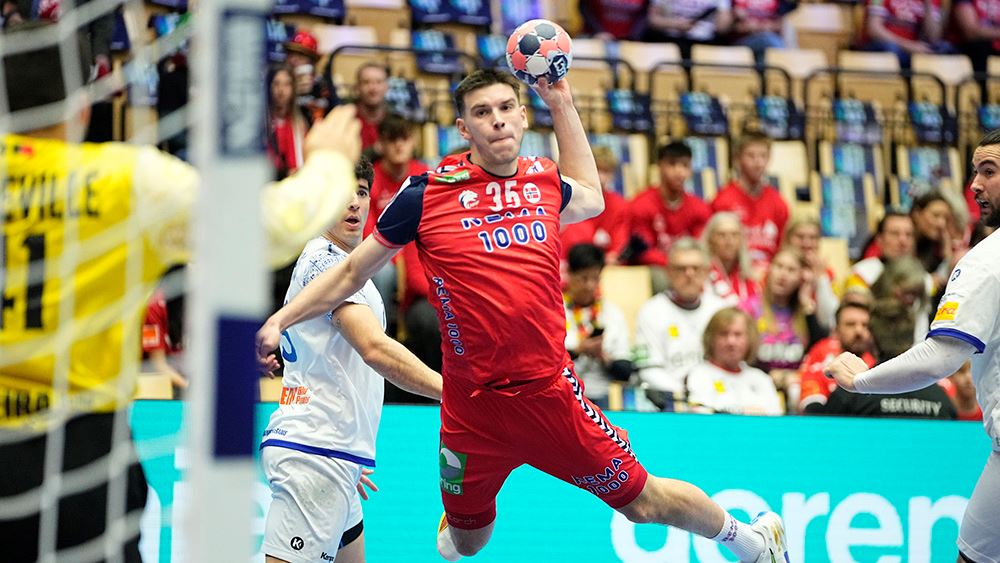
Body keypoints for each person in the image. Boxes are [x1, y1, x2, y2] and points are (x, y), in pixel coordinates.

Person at [256, 69, 789, 563]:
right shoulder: (425, 196)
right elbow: (350, 273)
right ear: (463, 127)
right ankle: (464, 513)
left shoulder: (543, 181)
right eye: (483, 112)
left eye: (507, 107)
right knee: (465, 543)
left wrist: (560, 100)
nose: (498, 119)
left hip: (549, 397)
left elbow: (594, 199)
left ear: (522, 115)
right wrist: (282, 318)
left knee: (641, 503)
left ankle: (752, 542)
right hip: (471, 408)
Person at [0, 22, 363, 562]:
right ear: (84, 102)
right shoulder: (125, 180)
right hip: (76, 453)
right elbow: (269, 229)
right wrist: (329, 160)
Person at [826, 129, 1000, 563]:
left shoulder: (988, 259)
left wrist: (859, 379)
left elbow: (940, 357)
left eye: (990, 171)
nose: (975, 185)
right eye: (975, 171)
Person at [259, 158, 442, 563]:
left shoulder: (348, 270)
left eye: (361, 192)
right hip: (316, 451)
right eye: (343, 194)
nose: (354, 204)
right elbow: (373, 349)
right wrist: (451, 391)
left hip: (336, 451)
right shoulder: (325, 262)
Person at [634, 238, 729, 404]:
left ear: (707, 272)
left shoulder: (720, 309)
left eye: (696, 268)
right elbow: (647, 370)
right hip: (671, 402)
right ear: (668, 272)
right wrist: (688, 396)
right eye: (681, 269)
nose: (689, 274)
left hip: (720, 399)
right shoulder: (651, 311)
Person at [563, 244, 633, 408]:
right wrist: (579, 350)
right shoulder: (555, 310)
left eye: (595, 278)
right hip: (566, 393)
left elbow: (626, 371)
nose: (589, 286)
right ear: (570, 275)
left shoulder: (612, 313)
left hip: (604, 393)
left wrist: (603, 357)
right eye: (583, 278)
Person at [711, 130, 789, 273]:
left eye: (763, 156)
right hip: (734, 271)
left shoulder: (778, 202)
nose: (758, 162)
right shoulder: (722, 201)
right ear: (737, 159)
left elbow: (783, 247)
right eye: (751, 155)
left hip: (769, 274)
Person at [625, 141, 712, 267]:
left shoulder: (700, 208)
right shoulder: (641, 205)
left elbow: (701, 248)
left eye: (685, 165)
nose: (679, 171)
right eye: (672, 164)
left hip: (688, 267)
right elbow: (643, 251)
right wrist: (674, 265)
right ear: (659, 165)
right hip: (655, 268)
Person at [686, 307, 783, 416]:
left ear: (749, 338)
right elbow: (701, 415)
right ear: (711, 338)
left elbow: (776, 419)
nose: (731, 341)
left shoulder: (761, 379)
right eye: (724, 334)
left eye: (738, 334)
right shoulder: (700, 374)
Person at [798, 301, 877, 414]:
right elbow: (814, 414)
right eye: (850, 324)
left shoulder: (881, 364)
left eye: (865, 325)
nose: (859, 331)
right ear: (836, 330)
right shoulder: (819, 368)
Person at [559, 146, 630, 264]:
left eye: (606, 171)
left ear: (612, 174)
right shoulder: (570, 201)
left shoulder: (619, 205)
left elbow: (618, 247)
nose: (600, 177)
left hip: (603, 267)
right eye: (597, 169)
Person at [782, 216, 839, 330]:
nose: (807, 243)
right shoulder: (778, 267)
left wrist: (821, 278)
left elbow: (830, 320)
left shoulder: (827, 273)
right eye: (800, 237)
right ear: (788, 238)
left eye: (813, 238)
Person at [860, 0, 952, 68]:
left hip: (915, 49)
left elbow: (933, 38)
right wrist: (908, 46)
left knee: (944, 48)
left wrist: (927, 5)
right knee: (891, 49)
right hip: (885, 45)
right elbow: (874, 29)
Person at [703, 211, 760, 309]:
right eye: (721, 235)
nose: (729, 241)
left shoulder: (751, 275)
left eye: (734, 235)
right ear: (710, 240)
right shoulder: (701, 272)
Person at [643, 0, 734, 60]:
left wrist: (725, 19)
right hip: (669, 42)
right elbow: (653, 20)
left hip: (705, 44)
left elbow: (723, 28)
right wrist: (676, 24)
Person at [266, 65, 312, 180]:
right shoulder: (261, 124)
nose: (281, 90)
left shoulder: (300, 124)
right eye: (276, 84)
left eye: (287, 84)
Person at [354, 62, 391, 150]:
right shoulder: (347, 120)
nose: (373, 88)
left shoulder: (396, 122)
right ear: (357, 87)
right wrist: (374, 151)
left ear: (386, 87)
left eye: (378, 82)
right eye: (366, 82)